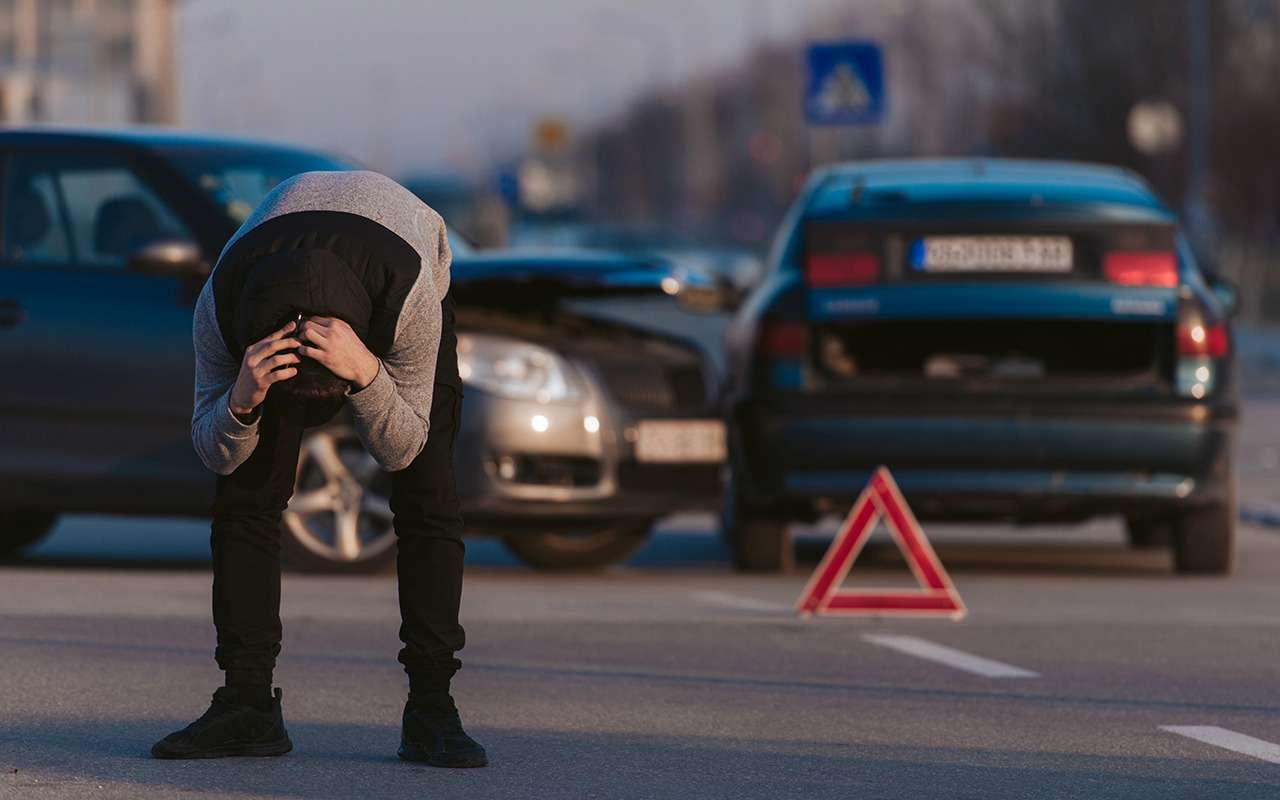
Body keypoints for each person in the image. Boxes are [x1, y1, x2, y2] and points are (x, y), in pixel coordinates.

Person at [150, 170, 486, 768]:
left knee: (429, 500)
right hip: (270, 273)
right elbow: (213, 449)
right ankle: (246, 707)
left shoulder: (405, 298)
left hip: (396, 256)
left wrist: (367, 374)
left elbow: (401, 448)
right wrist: (243, 401)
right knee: (244, 499)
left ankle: (433, 708)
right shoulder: (222, 307)